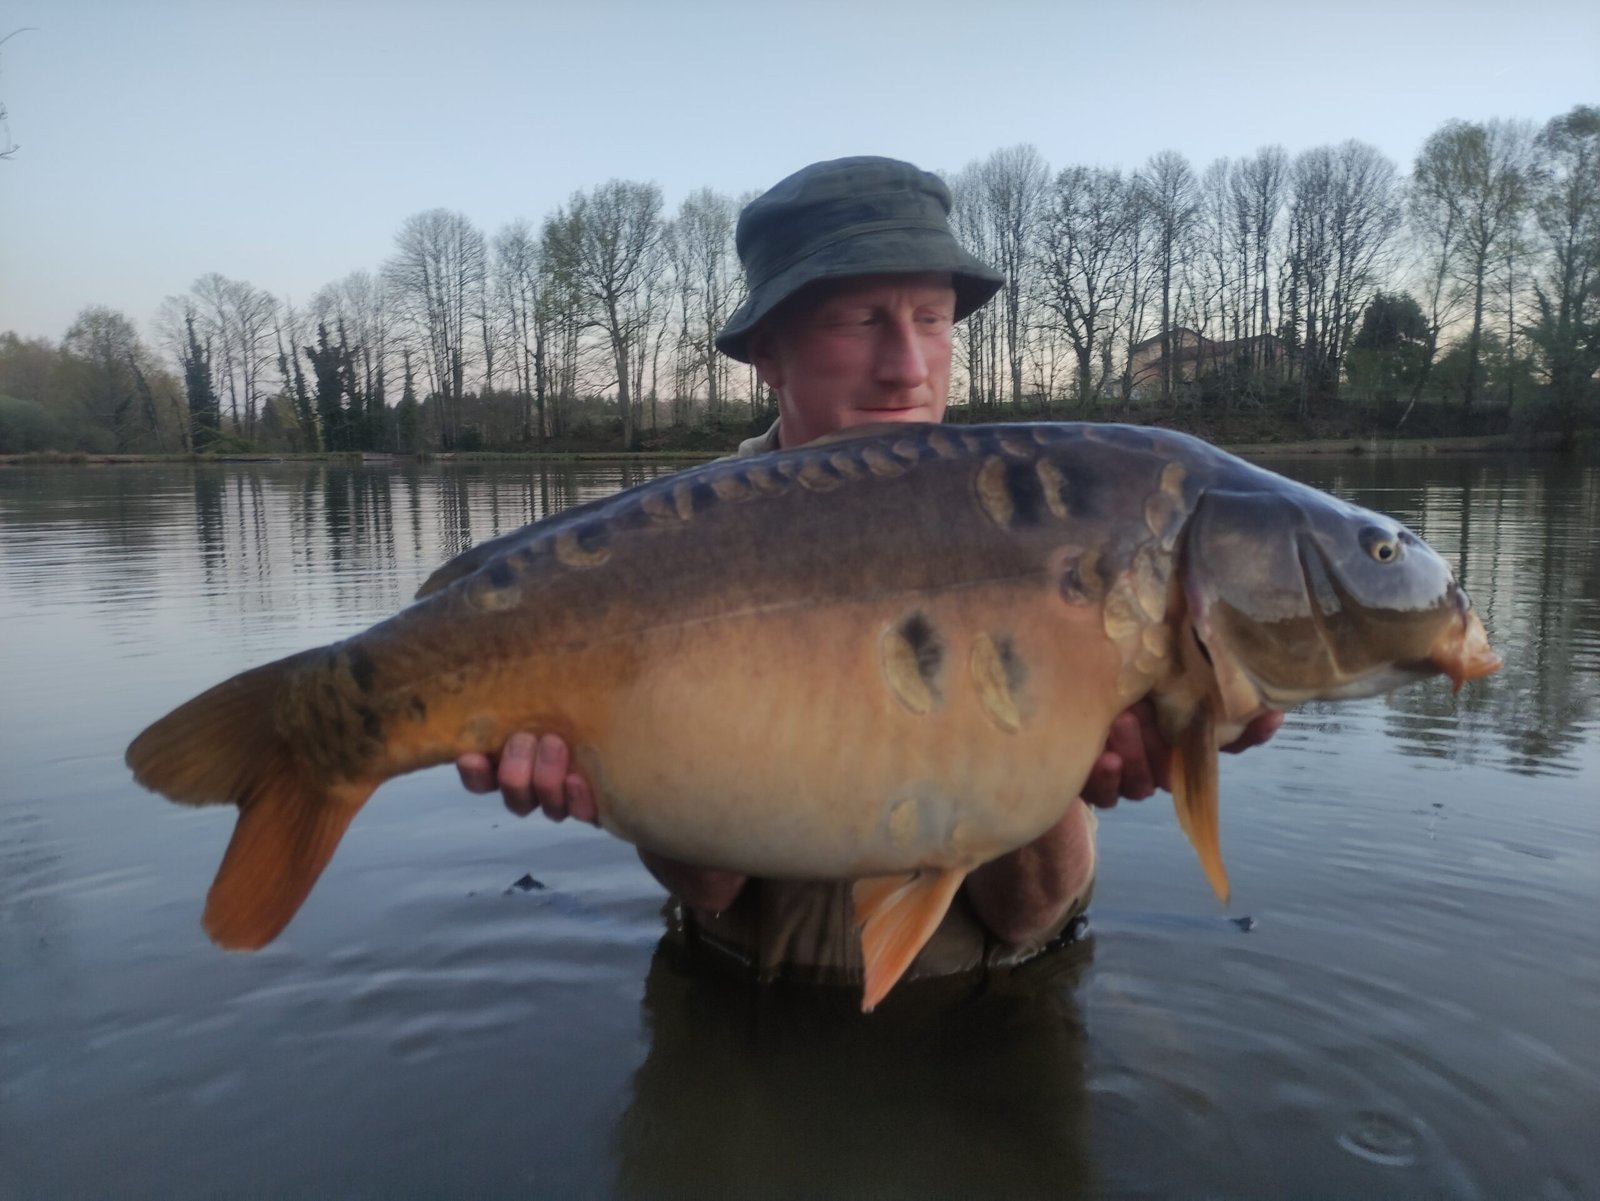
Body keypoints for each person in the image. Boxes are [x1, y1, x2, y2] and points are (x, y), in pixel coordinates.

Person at [459, 157, 1281, 986]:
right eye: (860, 320)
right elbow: (710, 889)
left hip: (990, 998)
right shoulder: (664, 550)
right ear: (769, 351)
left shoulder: (1053, 527)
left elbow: (1028, 914)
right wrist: (606, 778)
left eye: (931, 319)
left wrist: (1061, 765)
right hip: (739, 993)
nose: (908, 366)